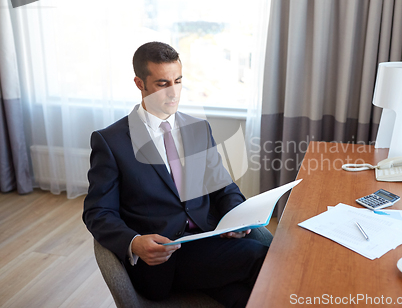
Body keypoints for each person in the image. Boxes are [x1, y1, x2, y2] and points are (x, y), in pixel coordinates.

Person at [83, 42, 268, 307]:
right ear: (140, 83)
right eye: (162, 83)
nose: (173, 93)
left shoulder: (198, 129)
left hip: (211, 241)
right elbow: (97, 212)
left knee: (247, 298)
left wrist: (236, 217)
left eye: (178, 81)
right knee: (262, 258)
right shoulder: (111, 142)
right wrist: (134, 243)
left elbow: (223, 188)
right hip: (161, 261)